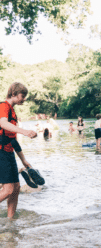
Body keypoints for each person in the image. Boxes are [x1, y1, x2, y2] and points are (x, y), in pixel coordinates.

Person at [0, 82, 37, 218]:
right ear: (14, 94)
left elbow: (13, 140)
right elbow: (2, 123)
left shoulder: (13, 112)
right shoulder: (4, 106)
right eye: (23, 95)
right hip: (1, 152)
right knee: (8, 189)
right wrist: (25, 131)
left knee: (16, 189)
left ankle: (10, 222)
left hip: (9, 153)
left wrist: (24, 160)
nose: (24, 98)